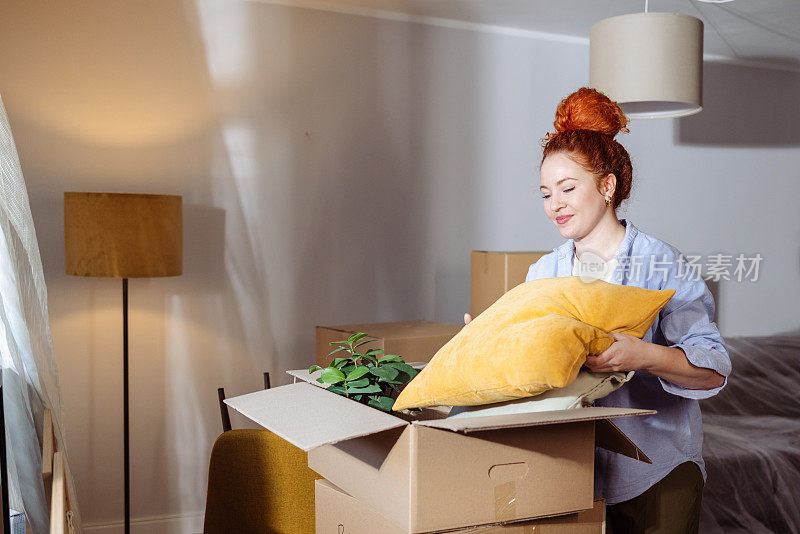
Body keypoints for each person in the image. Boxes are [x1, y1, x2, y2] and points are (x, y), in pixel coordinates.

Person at [464, 87, 731, 534]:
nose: (555, 206)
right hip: (573, 467)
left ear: (607, 186)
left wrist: (644, 356)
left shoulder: (660, 263)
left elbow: (714, 370)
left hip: (658, 469)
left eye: (568, 189)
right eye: (546, 193)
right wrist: (487, 343)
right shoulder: (545, 271)